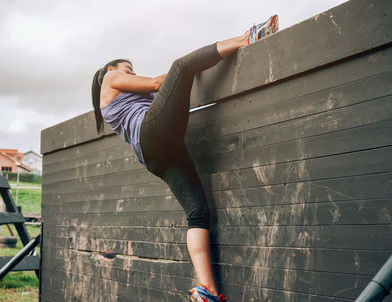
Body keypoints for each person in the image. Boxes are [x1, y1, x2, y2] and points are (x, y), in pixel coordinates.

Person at [91, 15, 279, 302]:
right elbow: (158, 82)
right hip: (151, 134)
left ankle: (207, 290)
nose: (130, 74)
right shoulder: (111, 77)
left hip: (156, 156)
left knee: (198, 215)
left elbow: (166, 97)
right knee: (181, 65)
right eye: (128, 69)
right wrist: (190, 69)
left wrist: (183, 78)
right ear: (111, 69)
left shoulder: (118, 101)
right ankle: (249, 37)